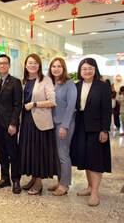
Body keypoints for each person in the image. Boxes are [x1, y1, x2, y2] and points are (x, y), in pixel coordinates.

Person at [70, 58, 112, 207]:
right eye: (84, 69)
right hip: (81, 125)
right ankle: (89, 186)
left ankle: (95, 191)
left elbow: (107, 110)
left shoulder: (102, 86)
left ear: (95, 70)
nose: (87, 71)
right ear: (80, 71)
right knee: (85, 157)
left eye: (90, 68)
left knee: (95, 160)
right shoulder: (76, 86)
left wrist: (104, 129)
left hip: (96, 127)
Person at [19, 53, 59, 195]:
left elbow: (52, 101)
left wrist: (34, 104)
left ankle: (38, 183)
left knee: (38, 152)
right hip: (26, 121)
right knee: (28, 151)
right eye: (30, 63)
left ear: (40, 66)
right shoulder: (22, 81)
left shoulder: (46, 80)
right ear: (25, 65)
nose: (32, 65)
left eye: (36, 63)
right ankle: (33, 178)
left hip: (41, 123)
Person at [0, 54, 22, 194]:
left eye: (4, 63)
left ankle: (15, 180)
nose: (2, 66)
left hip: (9, 125)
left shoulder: (15, 82)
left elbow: (17, 104)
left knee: (13, 153)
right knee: (1, 152)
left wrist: (13, 124)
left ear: (9, 65)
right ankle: (4, 178)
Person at [47, 57, 77, 196]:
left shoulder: (69, 84)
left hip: (64, 124)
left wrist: (64, 126)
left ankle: (65, 185)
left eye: (59, 66)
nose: (56, 69)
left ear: (63, 68)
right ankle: (60, 181)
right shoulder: (50, 83)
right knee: (57, 155)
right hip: (51, 123)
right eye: (54, 66)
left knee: (63, 154)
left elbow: (71, 106)